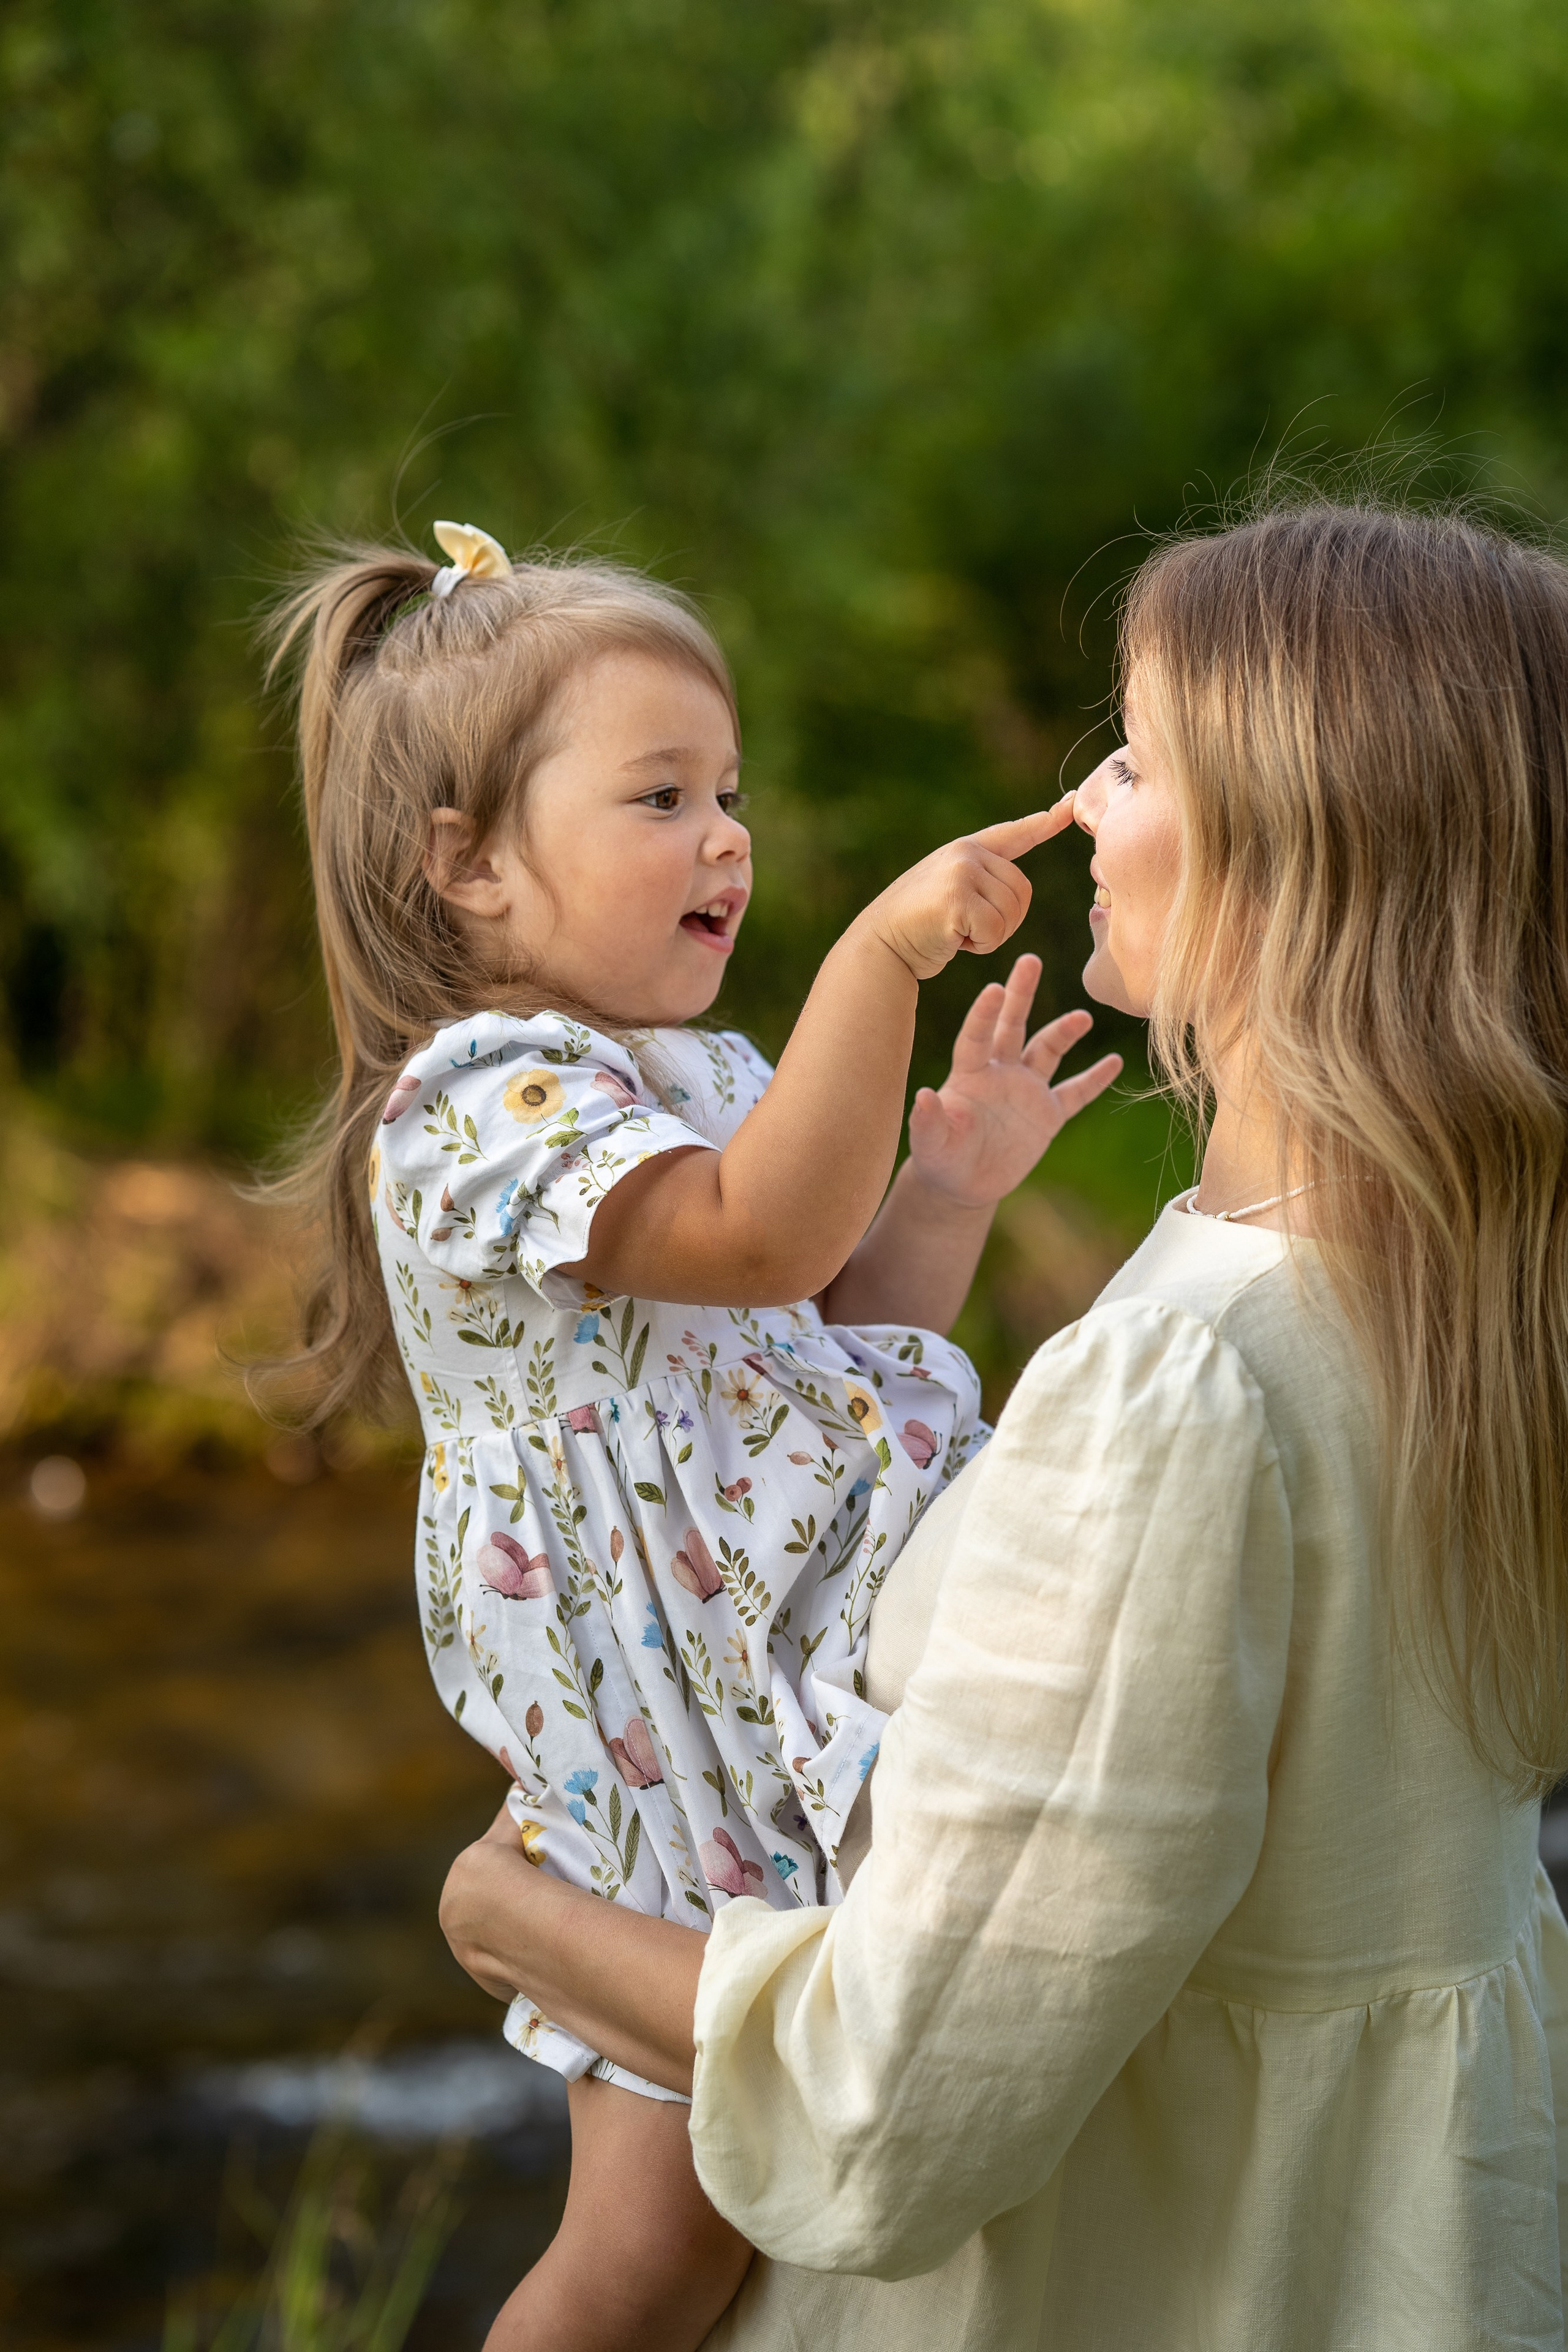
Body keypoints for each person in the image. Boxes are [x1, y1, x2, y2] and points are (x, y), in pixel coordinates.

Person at [439, 499, 1568, 2350]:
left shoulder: (1194, 1378)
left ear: (1293, 857)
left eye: (1134, 753)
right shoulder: (1473, 1290)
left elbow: (896, 2113)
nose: (1091, 803)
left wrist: (521, 1927)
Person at [266, 520, 1120, 2351]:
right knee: (654, 2237)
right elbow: (759, 1240)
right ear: (468, 866)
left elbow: (822, 1348)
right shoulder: (479, 1104)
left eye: (728, 790)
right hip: (643, 1718)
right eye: (660, 795)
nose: (726, 834)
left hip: (753, 1673)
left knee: (782, 2170)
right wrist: (881, 965)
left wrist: (952, 1187)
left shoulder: (705, 1078)